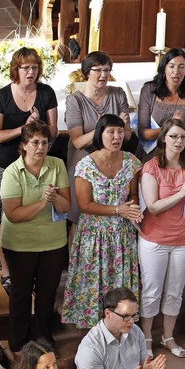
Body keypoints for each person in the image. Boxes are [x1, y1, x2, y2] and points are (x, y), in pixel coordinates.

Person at [0, 47, 59, 295]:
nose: (31, 72)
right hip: (6, 163)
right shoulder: (2, 95)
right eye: (25, 67)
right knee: (3, 218)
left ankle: (34, 270)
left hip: (36, 163)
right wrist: (23, 128)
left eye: (34, 67)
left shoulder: (46, 93)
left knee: (37, 212)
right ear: (15, 69)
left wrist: (38, 125)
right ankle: (8, 273)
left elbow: (53, 132)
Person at [62, 115, 142, 329]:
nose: (116, 137)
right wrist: (118, 210)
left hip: (122, 234)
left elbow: (133, 194)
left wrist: (132, 209)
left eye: (120, 131)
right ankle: (92, 330)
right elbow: (84, 204)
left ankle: (119, 326)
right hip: (94, 235)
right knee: (93, 282)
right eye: (111, 132)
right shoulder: (86, 165)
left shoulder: (131, 162)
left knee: (119, 283)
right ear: (100, 134)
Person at [1, 121, 70, 353]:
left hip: (52, 243)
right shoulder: (12, 172)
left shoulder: (57, 165)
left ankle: (42, 337)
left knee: (46, 294)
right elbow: (13, 215)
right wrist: (43, 201)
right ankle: (18, 342)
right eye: (35, 143)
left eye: (44, 142)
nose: (41, 147)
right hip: (20, 244)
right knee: (20, 294)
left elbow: (65, 207)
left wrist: (54, 198)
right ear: (24, 145)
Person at [139, 118, 185, 358]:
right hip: (154, 239)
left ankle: (168, 337)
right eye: (174, 136)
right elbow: (153, 207)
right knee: (152, 290)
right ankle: (146, 338)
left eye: (183, 137)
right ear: (163, 138)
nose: (178, 141)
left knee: (175, 291)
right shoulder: (152, 167)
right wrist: (181, 193)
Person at [75, 287, 175, 369]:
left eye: (134, 315)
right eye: (125, 316)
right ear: (108, 313)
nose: (132, 321)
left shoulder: (135, 331)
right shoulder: (90, 348)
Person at [65, 51, 132, 238]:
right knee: (79, 218)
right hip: (84, 164)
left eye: (107, 70)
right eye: (98, 70)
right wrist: (106, 127)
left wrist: (113, 129)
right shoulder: (75, 100)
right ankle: (76, 265)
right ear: (87, 72)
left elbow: (126, 134)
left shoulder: (118, 94)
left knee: (113, 215)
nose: (103, 75)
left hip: (112, 165)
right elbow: (78, 141)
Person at [137, 47, 185, 155]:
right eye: (171, 66)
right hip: (150, 152)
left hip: (178, 153)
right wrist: (172, 127)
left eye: (181, 67)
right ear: (164, 68)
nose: (176, 72)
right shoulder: (149, 90)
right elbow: (143, 133)